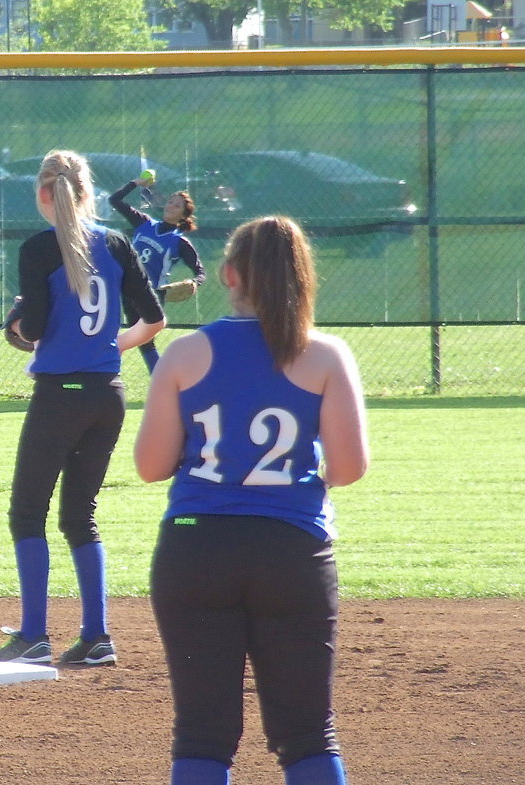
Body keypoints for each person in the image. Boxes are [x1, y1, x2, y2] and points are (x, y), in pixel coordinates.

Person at [134, 216, 369, 785]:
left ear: (229, 275)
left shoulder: (185, 354)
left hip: (195, 549)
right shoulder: (325, 354)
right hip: (291, 550)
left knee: (202, 735)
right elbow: (349, 468)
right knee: (308, 735)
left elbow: (150, 467)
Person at [0, 150, 166, 667]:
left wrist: (17, 323)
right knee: (80, 516)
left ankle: (34, 636)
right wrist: (106, 347)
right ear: (87, 193)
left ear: (44, 194)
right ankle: (96, 636)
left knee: (27, 514)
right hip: (108, 393)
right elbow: (154, 320)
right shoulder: (116, 243)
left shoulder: (40, 248)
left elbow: (34, 328)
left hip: (59, 395)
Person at [108, 175, 204, 374]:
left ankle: (160, 379)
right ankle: (112, 374)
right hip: (127, 289)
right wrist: (135, 183)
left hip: (151, 293)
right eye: (170, 201)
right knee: (134, 339)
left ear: (184, 215)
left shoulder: (179, 242)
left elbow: (200, 272)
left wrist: (194, 282)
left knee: (143, 341)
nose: (171, 206)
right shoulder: (144, 223)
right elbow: (114, 200)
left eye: (177, 205)